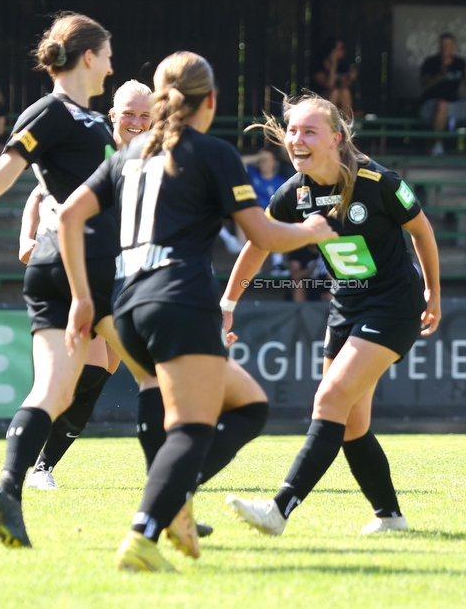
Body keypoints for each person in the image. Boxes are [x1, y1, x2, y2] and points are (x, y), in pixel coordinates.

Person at [56, 51, 335, 572]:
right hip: (179, 299)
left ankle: (173, 502)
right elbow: (264, 234)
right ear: (211, 101)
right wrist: (312, 231)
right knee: (191, 430)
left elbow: (69, 215)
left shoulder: (130, 153)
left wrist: (82, 298)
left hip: (128, 309)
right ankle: (145, 533)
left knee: (248, 404)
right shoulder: (210, 151)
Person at [0, 13, 136, 550]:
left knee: (56, 389)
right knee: (159, 380)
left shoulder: (91, 122)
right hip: (74, 265)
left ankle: (9, 487)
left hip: (74, 264)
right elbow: (2, 178)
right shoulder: (54, 112)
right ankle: (168, 509)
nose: (111, 65)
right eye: (107, 54)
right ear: (87, 57)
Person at [222, 93, 442, 538]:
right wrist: (227, 306)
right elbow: (258, 246)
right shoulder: (294, 193)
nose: (296, 140)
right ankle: (390, 517)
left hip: (394, 305)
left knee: (328, 402)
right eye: (292, 132)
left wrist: (433, 293)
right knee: (350, 424)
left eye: (309, 131)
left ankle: (278, 511)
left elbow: (421, 229)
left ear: (336, 139)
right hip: (346, 306)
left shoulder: (378, 182)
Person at [22, 78, 153, 491]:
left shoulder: (152, 159)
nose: (136, 121)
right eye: (128, 113)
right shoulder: (95, 149)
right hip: (82, 273)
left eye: (144, 115)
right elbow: (41, 191)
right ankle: (25, 463)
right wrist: (28, 237)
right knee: (91, 371)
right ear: (112, 115)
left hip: (123, 279)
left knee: (100, 377)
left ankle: (42, 465)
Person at [419, 32, 466, 157]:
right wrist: (440, 76)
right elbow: (424, 86)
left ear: (454, 46)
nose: (445, 47)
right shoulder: (430, 62)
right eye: (443, 45)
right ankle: (438, 146)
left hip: (453, 105)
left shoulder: (459, 63)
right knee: (442, 104)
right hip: (431, 106)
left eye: (449, 45)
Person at [241, 148, 290, 276]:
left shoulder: (281, 182)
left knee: (279, 218)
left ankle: (277, 264)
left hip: (273, 218)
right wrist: (257, 157)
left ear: (274, 162)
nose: (261, 163)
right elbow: (238, 163)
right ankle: (253, 264)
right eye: (260, 161)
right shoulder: (253, 174)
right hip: (254, 215)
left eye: (265, 160)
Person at [313, 37, 357, 118]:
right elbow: (329, 85)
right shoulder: (319, 65)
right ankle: (328, 122)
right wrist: (333, 64)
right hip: (321, 101)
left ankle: (347, 125)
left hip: (339, 103)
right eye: (337, 48)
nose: (340, 51)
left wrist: (350, 79)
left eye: (341, 48)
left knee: (345, 92)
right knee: (335, 92)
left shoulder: (343, 66)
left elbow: (343, 86)